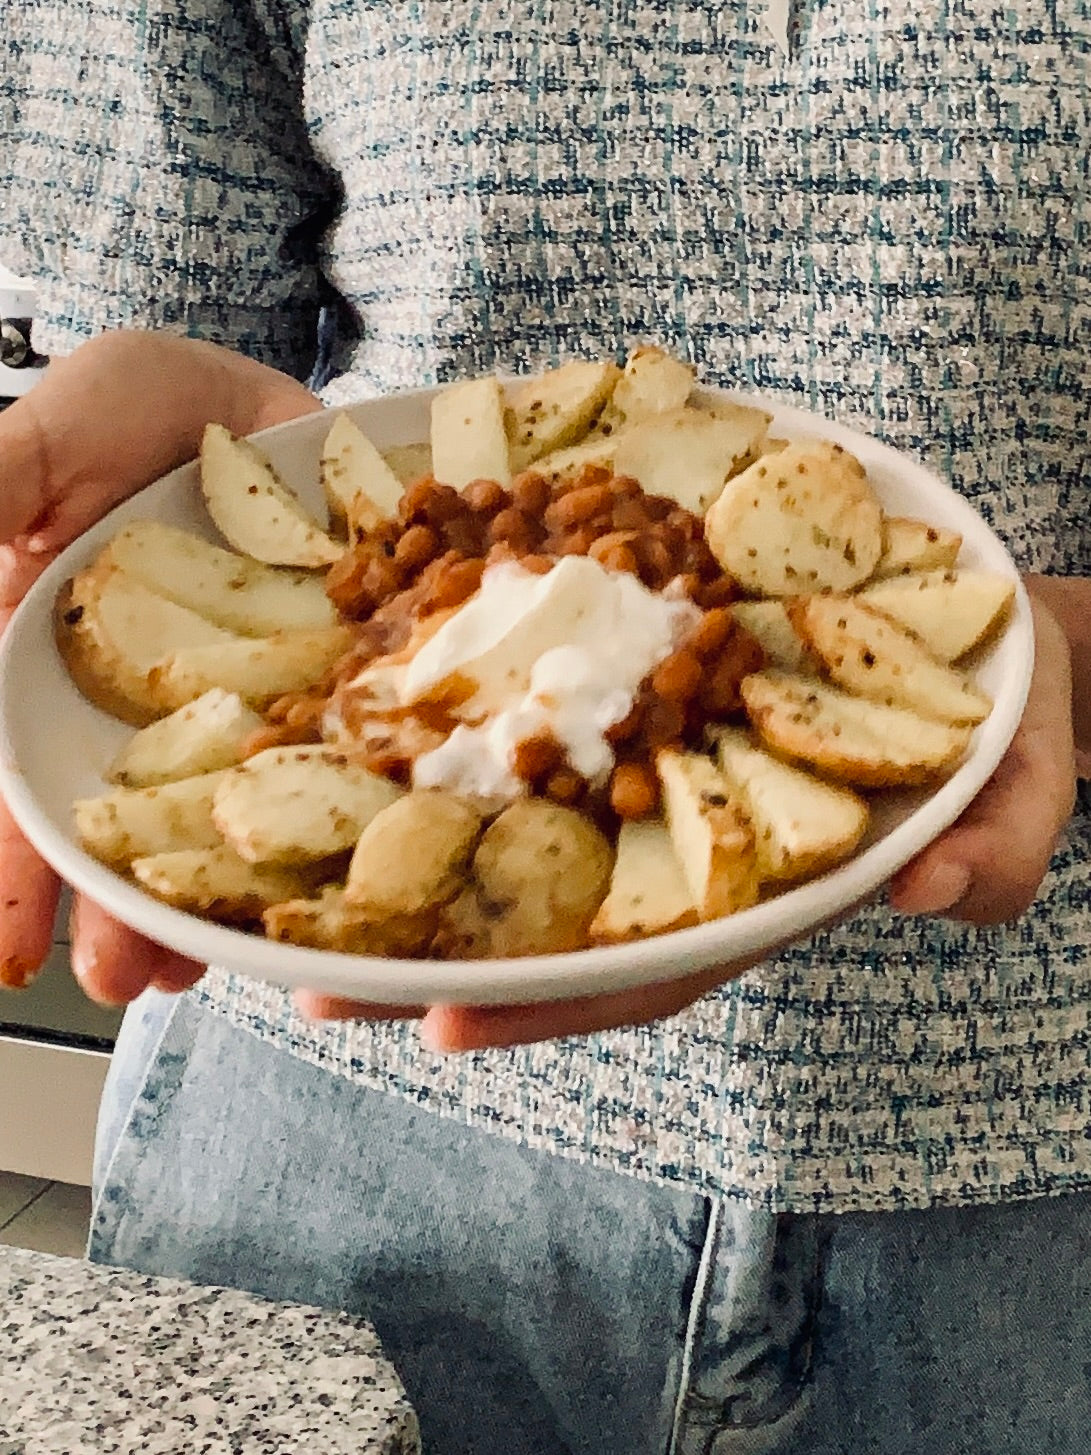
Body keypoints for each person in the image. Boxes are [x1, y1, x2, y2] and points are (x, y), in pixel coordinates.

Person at [1, 2, 1089, 1451]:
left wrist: (1049, 650)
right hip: (332, 1120)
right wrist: (124, 456)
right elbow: (118, 310)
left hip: (1024, 1194)